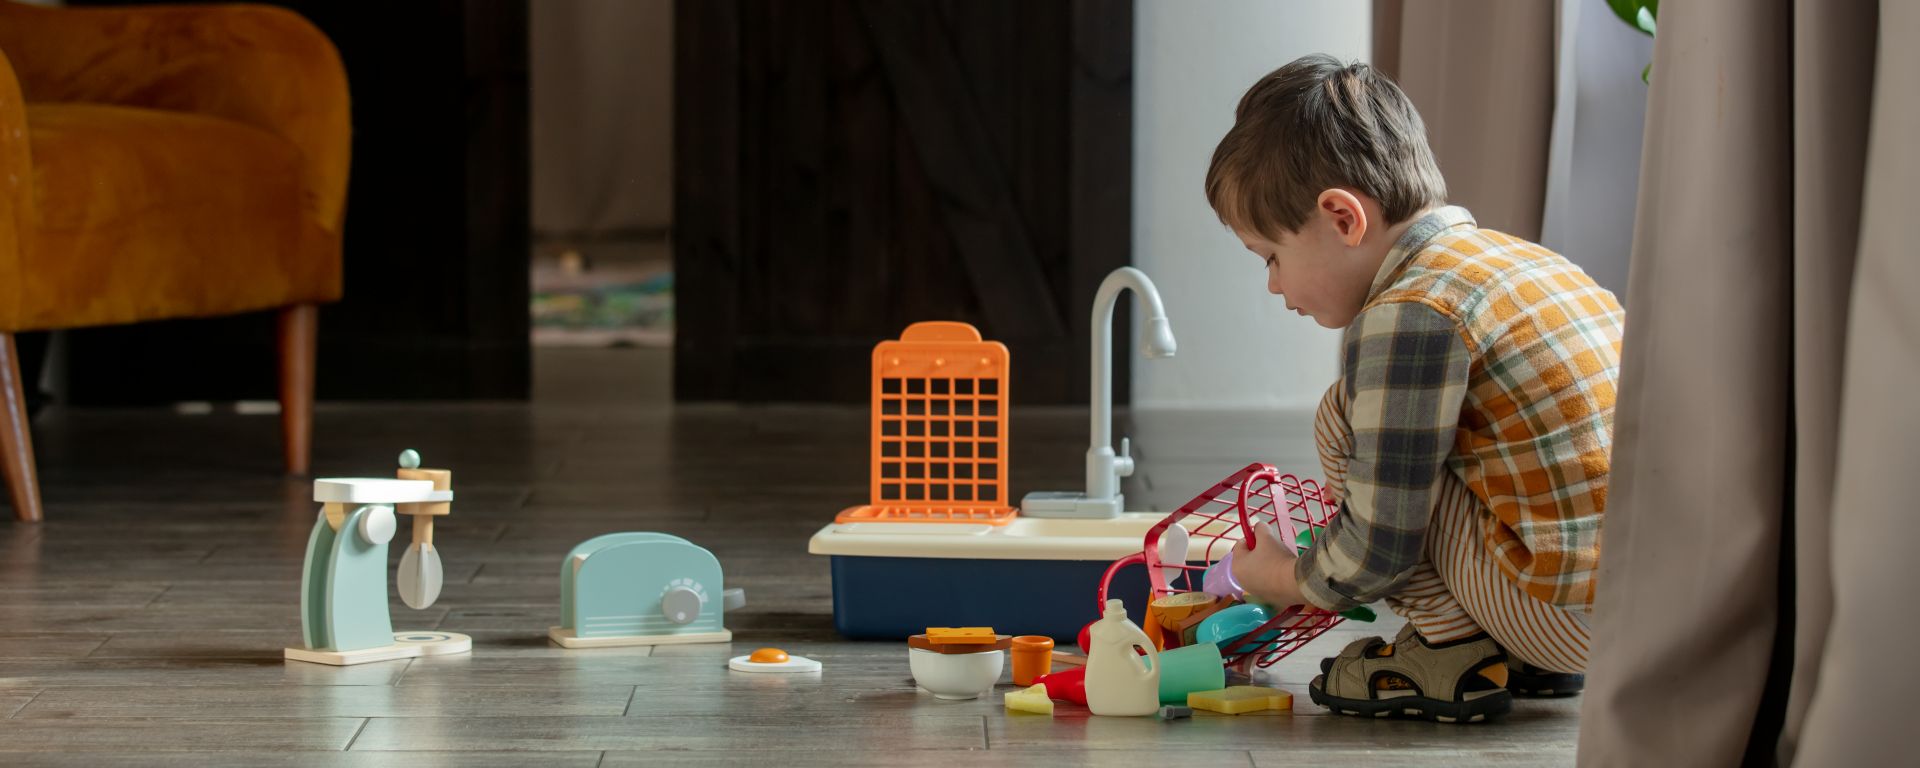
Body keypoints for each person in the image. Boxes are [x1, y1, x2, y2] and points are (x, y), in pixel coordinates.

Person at [1210, 54, 1625, 723]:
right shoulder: (1529, 261)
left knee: (1345, 419)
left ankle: (1448, 649)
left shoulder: (1409, 313)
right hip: (1646, 612)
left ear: (1343, 218)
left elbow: (1378, 549)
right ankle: (1504, 646)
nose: (1274, 286)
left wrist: (1283, 580)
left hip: (1567, 622)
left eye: (1272, 257)